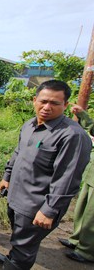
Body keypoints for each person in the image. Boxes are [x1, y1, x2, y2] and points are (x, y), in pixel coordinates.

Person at [0, 80, 91, 270]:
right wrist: (7, 176)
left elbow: (67, 178)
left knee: (25, 246)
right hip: (16, 196)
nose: (47, 107)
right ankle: (12, 260)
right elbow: (18, 152)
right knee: (19, 239)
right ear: (34, 100)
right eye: (43, 101)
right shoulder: (30, 125)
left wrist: (49, 210)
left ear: (66, 105)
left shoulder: (72, 136)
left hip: (36, 205)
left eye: (55, 103)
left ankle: (15, 264)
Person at [58, 103, 94, 264]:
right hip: (91, 174)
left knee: (92, 216)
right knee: (82, 209)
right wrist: (83, 115)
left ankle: (87, 251)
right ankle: (77, 239)